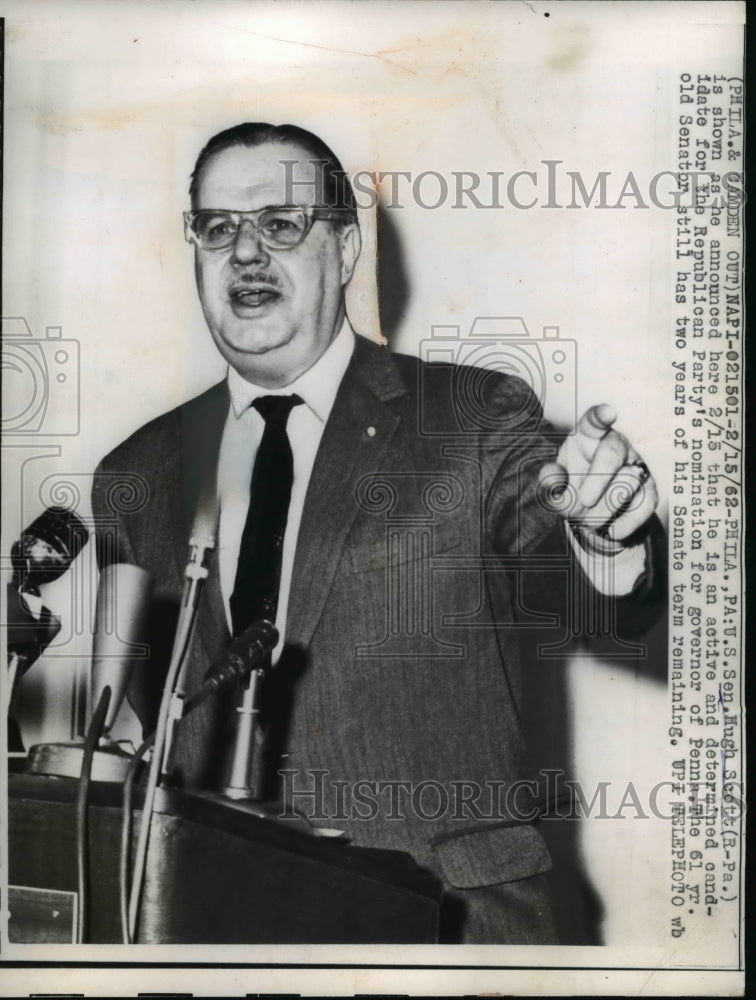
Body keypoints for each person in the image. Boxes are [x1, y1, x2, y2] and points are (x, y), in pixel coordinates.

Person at [92, 123, 662, 944]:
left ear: (347, 246)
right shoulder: (135, 473)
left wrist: (606, 542)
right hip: (210, 936)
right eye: (218, 228)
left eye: (281, 223)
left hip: (444, 936)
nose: (246, 252)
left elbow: (577, 585)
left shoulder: (470, 419)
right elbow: (129, 738)